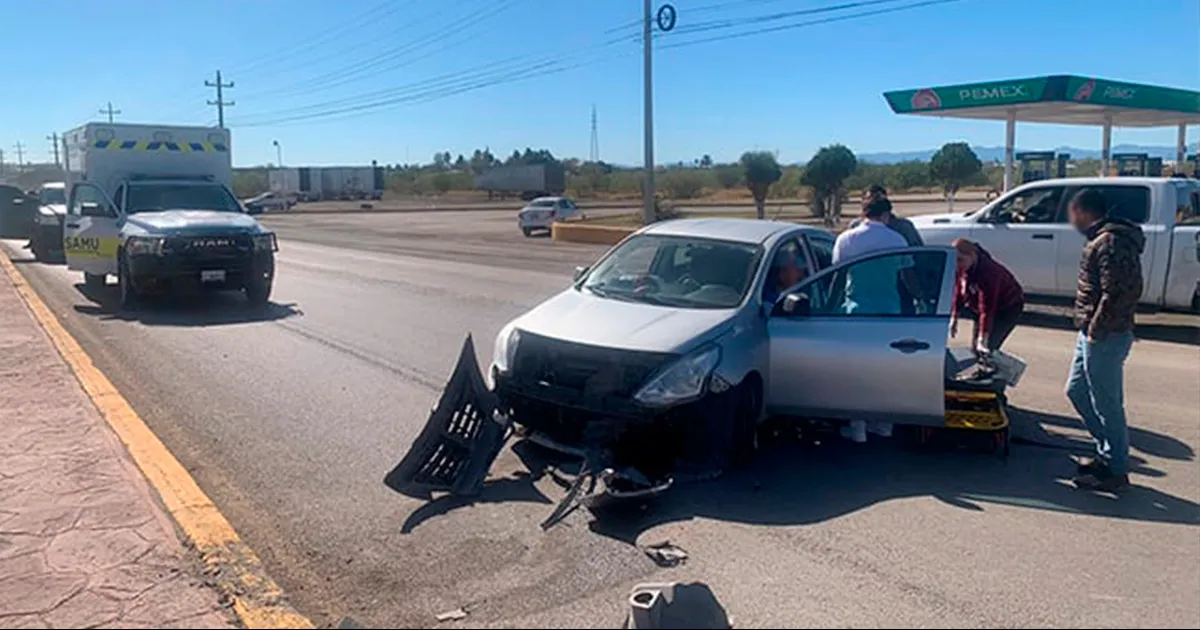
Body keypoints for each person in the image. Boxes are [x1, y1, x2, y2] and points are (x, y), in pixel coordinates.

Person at [1064, 188, 1144, 491]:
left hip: (1106, 334)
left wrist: (1097, 329)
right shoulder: (1100, 239)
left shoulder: (1111, 242)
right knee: (1076, 391)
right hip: (1091, 331)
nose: (1071, 219)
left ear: (1083, 211)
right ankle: (1107, 452)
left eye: (1072, 213)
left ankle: (1116, 470)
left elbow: (1121, 291)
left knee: (1108, 403)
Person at [831, 194, 911, 442]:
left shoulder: (846, 239)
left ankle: (858, 429)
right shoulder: (897, 238)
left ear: (863, 213)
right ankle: (884, 425)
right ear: (886, 215)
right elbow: (906, 275)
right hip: (889, 313)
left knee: (856, 372)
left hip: (856, 313)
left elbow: (836, 275)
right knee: (886, 371)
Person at [949, 239, 1025, 354]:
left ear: (972, 256)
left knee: (988, 346)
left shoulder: (989, 273)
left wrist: (983, 338)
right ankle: (982, 367)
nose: (957, 265)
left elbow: (987, 309)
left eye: (960, 260)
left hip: (1007, 307)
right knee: (976, 348)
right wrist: (954, 316)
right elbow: (959, 289)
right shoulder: (963, 266)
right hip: (979, 307)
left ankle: (999, 369)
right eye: (954, 261)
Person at [848, 184, 925, 247]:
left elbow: (918, 253)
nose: (875, 204)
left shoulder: (903, 227)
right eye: (869, 200)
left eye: (879, 199)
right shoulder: (855, 226)